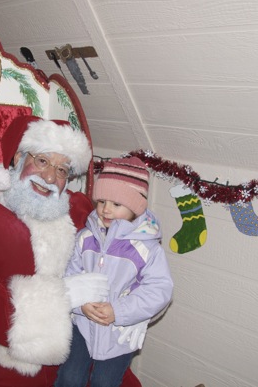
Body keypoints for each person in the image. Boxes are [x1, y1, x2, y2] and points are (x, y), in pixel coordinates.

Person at [0, 116, 141, 387]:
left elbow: (125, 256)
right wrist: (62, 298)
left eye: (62, 170)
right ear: (18, 156)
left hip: (79, 342)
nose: (50, 177)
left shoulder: (80, 211)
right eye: (42, 161)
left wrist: (132, 309)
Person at [55, 157, 174, 387]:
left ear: (135, 207)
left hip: (120, 332)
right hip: (82, 324)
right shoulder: (85, 238)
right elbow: (69, 275)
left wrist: (119, 311)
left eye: (116, 204)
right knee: (70, 378)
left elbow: (160, 289)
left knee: (104, 382)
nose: (105, 209)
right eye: (101, 201)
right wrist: (79, 305)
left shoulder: (146, 248)